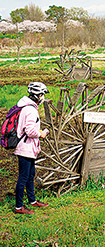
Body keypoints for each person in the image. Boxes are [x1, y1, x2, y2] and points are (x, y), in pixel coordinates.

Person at [14, 82, 50, 214]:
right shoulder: (30, 110)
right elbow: (29, 131)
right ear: (38, 95)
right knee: (23, 178)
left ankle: (32, 201)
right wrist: (41, 133)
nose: (43, 97)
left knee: (30, 176)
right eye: (42, 95)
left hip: (29, 148)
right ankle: (19, 207)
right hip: (25, 148)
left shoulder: (28, 107)